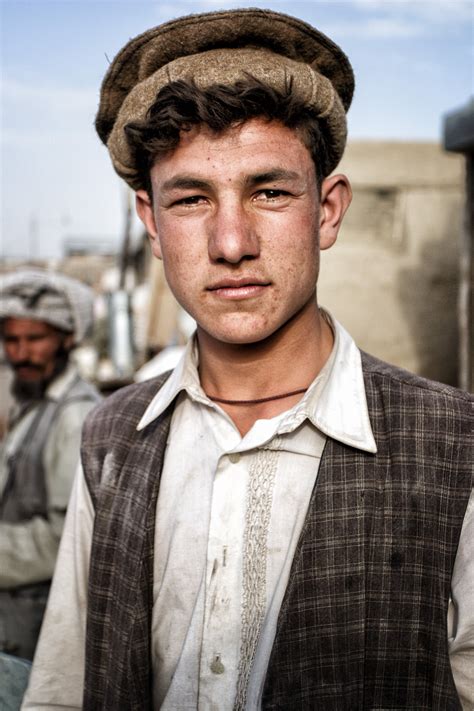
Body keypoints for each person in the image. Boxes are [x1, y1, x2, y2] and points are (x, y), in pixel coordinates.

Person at [23, 8, 473, 710]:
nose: (231, 241)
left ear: (326, 210)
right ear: (151, 222)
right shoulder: (110, 440)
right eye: (192, 197)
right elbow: (61, 690)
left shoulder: (457, 446)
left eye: (269, 191)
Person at [0, 269, 101, 660]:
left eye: (35, 339)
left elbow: (66, 537)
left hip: (36, 632)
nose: (21, 353)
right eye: (12, 340)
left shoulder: (76, 416)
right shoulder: (36, 405)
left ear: (67, 339)